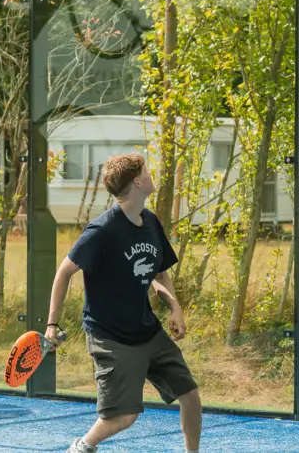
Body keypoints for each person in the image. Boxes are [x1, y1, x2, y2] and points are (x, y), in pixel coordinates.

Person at [46, 153, 202, 453]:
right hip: (110, 336)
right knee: (123, 417)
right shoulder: (102, 231)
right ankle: (81, 447)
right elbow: (64, 272)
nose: (151, 175)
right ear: (137, 182)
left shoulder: (150, 221)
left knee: (190, 395)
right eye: (147, 171)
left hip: (147, 330)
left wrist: (175, 308)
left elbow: (159, 273)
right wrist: (52, 324)